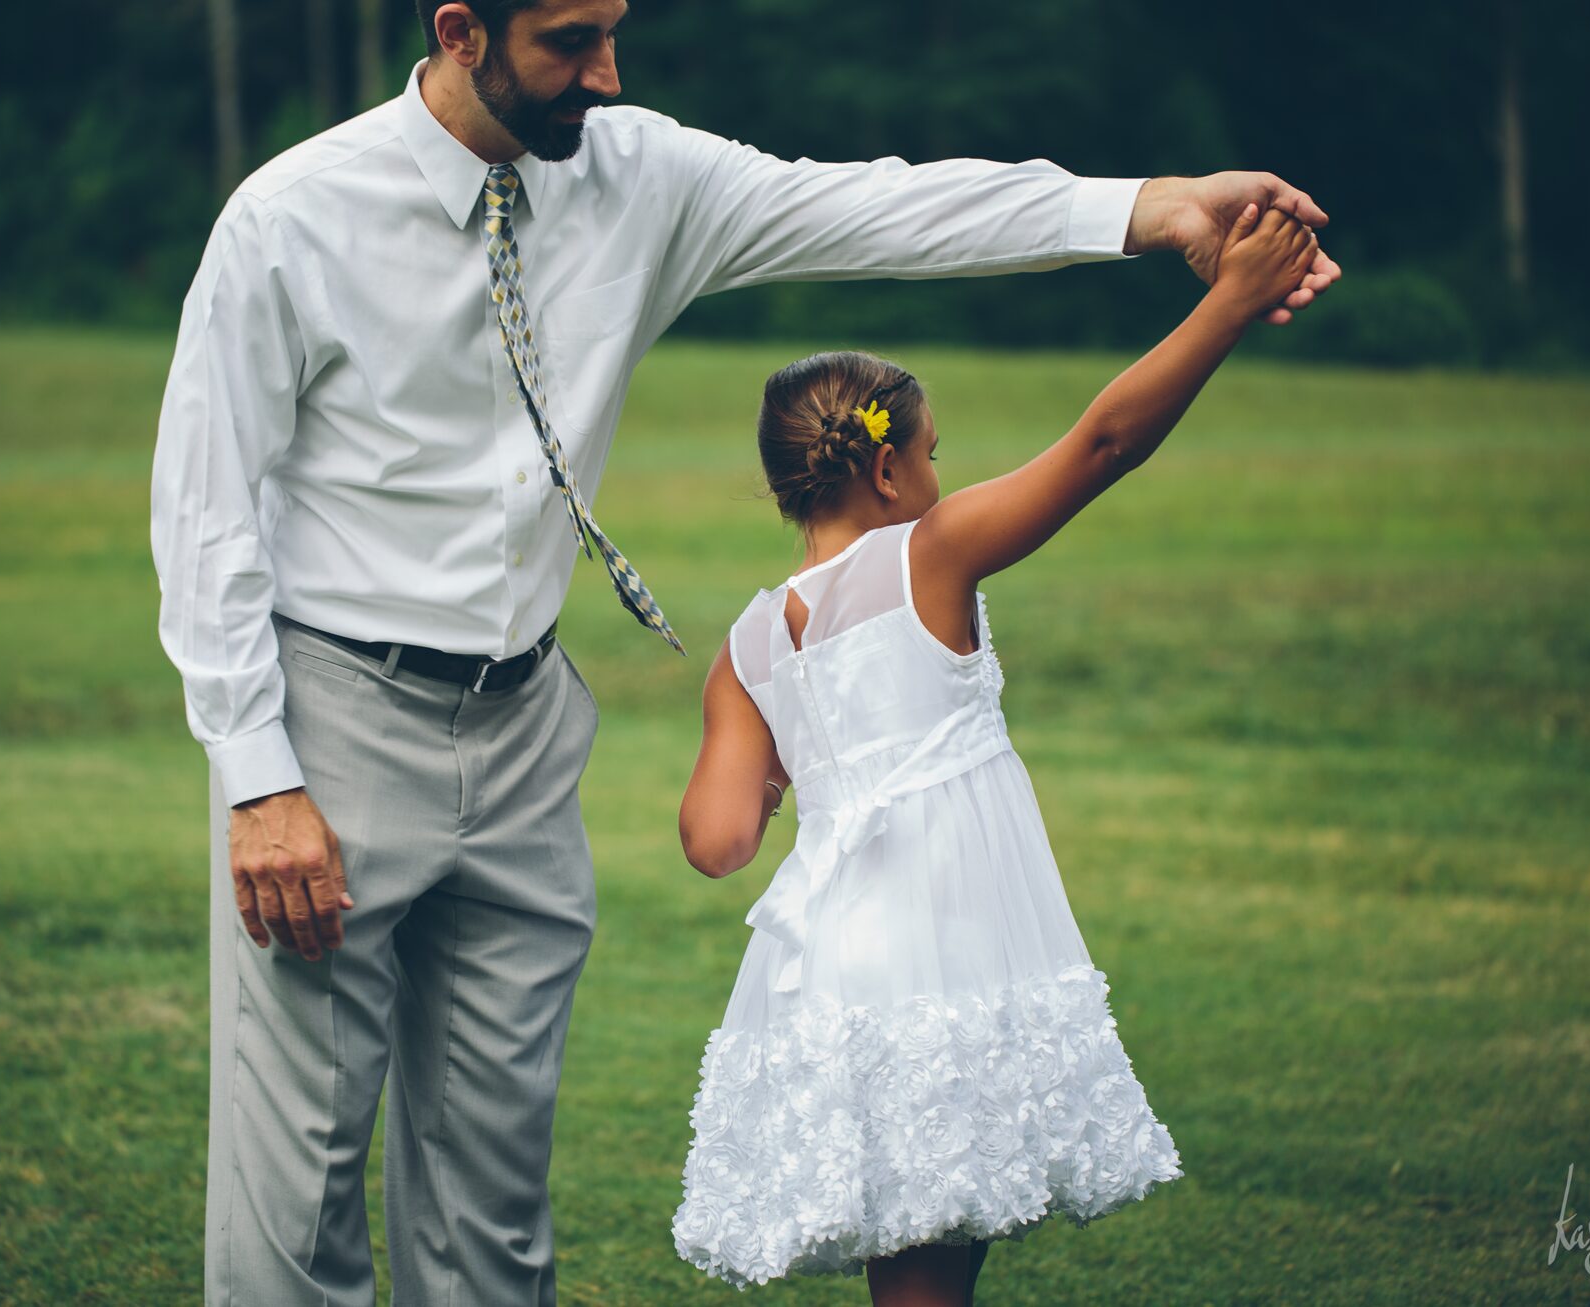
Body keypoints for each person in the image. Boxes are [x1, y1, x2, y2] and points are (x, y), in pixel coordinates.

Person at [146, 0, 1339, 1299]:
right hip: (332, 723)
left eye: (615, 29)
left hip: (527, 724)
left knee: (492, 1192)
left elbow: (882, 209)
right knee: (300, 1181)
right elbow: (207, 509)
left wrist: (1152, 206)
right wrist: (260, 779)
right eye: (568, 41)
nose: (607, 73)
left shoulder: (638, 174)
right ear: (460, 30)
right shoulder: (293, 218)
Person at [671, 204, 1318, 1302]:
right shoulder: (930, 553)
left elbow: (718, 841)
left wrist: (790, 759)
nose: (938, 471)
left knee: (932, 1236)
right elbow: (1103, 442)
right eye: (930, 452)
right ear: (884, 470)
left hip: (842, 963)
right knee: (930, 1254)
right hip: (943, 956)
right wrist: (1229, 303)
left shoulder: (743, 649)